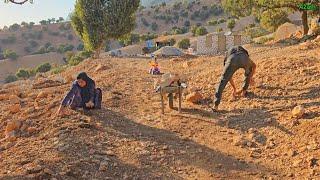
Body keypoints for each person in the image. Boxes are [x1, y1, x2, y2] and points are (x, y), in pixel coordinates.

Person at [213, 46, 256, 111]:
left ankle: (215, 106)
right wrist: (250, 76)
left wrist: (234, 89)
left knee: (223, 80)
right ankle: (244, 92)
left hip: (232, 59)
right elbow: (254, 66)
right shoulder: (243, 50)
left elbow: (229, 78)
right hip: (244, 57)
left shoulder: (227, 56)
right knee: (248, 72)